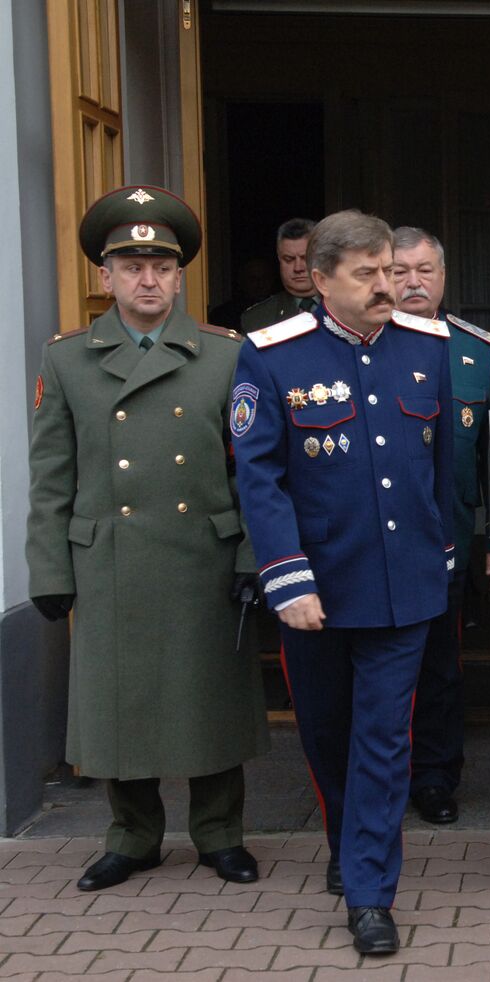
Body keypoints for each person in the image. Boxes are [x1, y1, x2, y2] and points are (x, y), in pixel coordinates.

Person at [26, 184, 268, 892]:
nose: (148, 279)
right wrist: (48, 567)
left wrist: (254, 555)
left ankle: (221, 834)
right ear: (106, 277)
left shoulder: (226, 356)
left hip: (205, 553)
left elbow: (256, 468)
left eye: (161, 266)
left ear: (180, 275)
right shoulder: (68, 360)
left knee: (210, 698)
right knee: (118, 704)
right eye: (131, 266)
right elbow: (50, 475)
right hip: (110, 558)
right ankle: (132, 836)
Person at [231, 209, 454, 954]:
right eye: (367, 274)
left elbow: (442, 465)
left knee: (385, 739)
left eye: (391, 269)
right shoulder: (271, 356)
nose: (388, 285)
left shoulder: (428, 347)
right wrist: (286, 579)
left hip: (403, 586)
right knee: (328, 736)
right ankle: (346, 842)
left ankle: (368, 891)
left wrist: (444, 551)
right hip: (315, 590)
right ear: (320, 280)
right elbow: (259, 479)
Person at [391, 225, 490, 824]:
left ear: (443, 276)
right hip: (373, 542)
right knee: (378, 667)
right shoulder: (365, 346)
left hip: (448, 538)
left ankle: (434, 777)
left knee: (438, 663)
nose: (411, 282)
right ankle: (382, 776)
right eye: (399, 271)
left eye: (423, 271)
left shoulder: (477, 353)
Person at [240, 217, 319, 332]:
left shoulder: (348, 309)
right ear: (279, 260)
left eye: (305, 258)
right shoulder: (256, 319)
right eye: (289, 259)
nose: (298, 268)